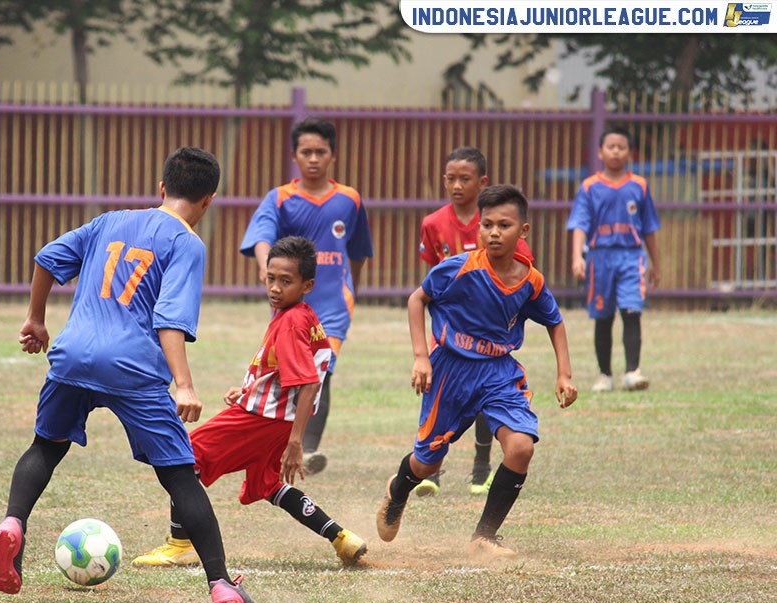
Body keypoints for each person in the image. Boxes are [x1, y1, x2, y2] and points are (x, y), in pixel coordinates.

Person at [0, 147, 259, 603]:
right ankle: (221, 584)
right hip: (132, 367)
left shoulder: (110, 221)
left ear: (162, 187)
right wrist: (184, 385)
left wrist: (36, 319)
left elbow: (48, 258)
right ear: (209, 200)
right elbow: (169, 318)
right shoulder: (187, 242)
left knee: (46, 447)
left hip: (73, 356)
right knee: (179, 475)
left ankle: (14, 523)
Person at [132, 236, 368, 569]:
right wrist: (247, 389)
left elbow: (309, 383)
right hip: (276, 419)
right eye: (271, 278)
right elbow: (284, 371)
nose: (275, 288)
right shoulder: (302, 315)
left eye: (286, 281)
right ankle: (341, 538)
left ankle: (180, 543)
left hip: (262, 419)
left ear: (307, 285)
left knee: (184, 457)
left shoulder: (290, 322)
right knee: (267, 484)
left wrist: (296, 442)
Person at [377, 184, 577, 558]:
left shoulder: (530, 280)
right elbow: (417, 299)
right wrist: (421, 357)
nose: (494, 233)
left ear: (523, 230)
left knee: (520, 448)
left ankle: (484, 537)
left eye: (504, 225)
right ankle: (398, 489)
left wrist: (564, 373)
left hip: (499, 372)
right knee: (427, 462)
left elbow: (554, 320)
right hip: (450, 372)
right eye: (487, 225)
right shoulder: (459, 268)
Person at [239, 117, 374, 476]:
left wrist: (352, 290)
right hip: (291, 306)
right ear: (294, 155)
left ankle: (308, 449)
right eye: (306, 152)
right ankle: (277, 442)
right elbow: (261, 237)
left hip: (332, 305)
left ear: (332, 155)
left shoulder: (349, 200)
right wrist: (266, 268)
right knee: (285, 372)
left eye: (320, 152)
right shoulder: (280, 198)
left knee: (320, 370)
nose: (313, 159)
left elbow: (358, 252)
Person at [418, 146, 535, 498]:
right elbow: (432, 281)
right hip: (450, 334)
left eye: (465, 179)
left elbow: (522, 276)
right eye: (451, 178)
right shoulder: (433, 224)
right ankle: (432, 471)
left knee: (487, 398)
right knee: (440, 401)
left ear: (482, 183)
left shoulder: (499, 223)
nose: (457, 185)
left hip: (489, 336)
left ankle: (482, 466)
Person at [568, 127, 661, 392]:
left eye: (622, 147)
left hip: (632, 256)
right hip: (600, 258)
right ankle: (604, 375)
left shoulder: (639, 185)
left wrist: (656, 264)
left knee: (632, 311)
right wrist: (577, 256)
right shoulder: (589, 187)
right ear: (600, 152)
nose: (616, 151)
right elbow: (579, 224)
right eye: (611, 146)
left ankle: (632, 372)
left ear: (630, 153)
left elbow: (649, 227)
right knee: (603, 316)